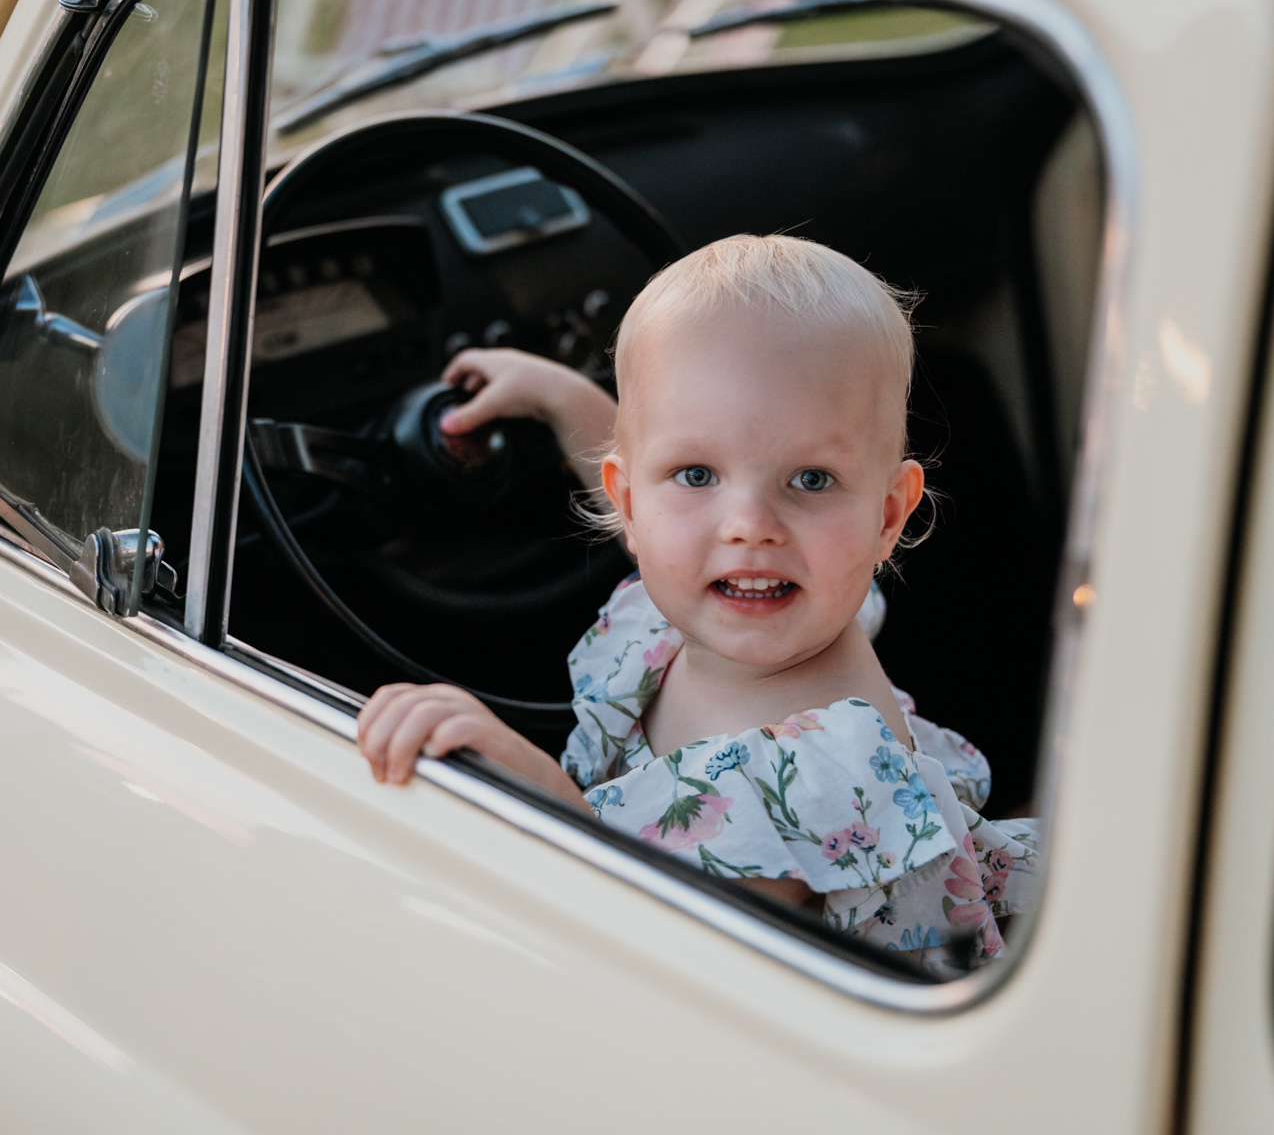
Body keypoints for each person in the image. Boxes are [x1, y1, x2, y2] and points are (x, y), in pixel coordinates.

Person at [355, 234, 1039, 969]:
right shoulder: (786, 596)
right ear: (629, 500)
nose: (747, 527)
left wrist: (535, 784)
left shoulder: (832, 780)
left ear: (887, 515)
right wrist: (556, 394)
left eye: (809, 479)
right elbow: (659, 517)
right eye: (697, 474)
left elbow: (653, 922)